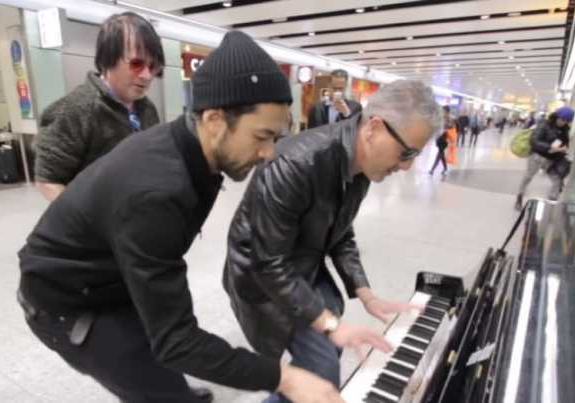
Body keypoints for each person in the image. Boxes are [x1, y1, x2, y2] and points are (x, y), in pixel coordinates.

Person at [18, 31, 344, 403]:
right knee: (165, 385)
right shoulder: (155, 193)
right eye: (262, 136)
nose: (269, 153)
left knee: (163, 356)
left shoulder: (193, 149)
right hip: (67, 304)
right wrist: (283, 376)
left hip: (113, 277)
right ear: (215, 119)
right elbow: (176, 339)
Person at [223, 80, 442, 402]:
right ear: (374, 129)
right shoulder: (295, 163)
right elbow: (268, 264)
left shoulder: (362, 165)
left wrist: (366, 294)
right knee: (323, 368)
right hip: (263, 281)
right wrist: (329, 324)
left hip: (302, 267)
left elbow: (341, 232)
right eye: (406, 152)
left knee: (320, 365)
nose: (407, 166)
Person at [33, 12, 163, 201]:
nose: (146, 75)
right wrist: (87, 223)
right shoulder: (74, 110)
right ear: (107, 60)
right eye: (137, 64)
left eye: (153, 67)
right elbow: (48, 181)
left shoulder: (147, 108)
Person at [515, 106, 575, 210]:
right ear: (556, 116)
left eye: (566, 121)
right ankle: (519, 196)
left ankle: (552, 202)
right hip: (537, 157)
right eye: (561, 119)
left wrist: (564, 149)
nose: (563, 122)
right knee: (528, 176)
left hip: (552, 159)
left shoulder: (565, 130)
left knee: (557, 180)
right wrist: (550, 147)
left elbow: (565, 143)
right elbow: (534, 141)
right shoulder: (544, 124)